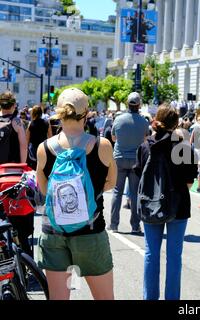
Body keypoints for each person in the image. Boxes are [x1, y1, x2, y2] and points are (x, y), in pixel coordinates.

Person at [36, 88, 117, 300]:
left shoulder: (44, 148)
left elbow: (45, 190)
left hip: (54, 232)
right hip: (90, 231)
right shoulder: (102, 145)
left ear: (59, 113)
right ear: (87, 112)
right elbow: (111, 183)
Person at [134, 104, 197, 300]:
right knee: (174, 257)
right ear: (177, 124)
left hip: (151, 203)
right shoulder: (184, 148)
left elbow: (139, 174)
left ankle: (149, 297)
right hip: (178, 206)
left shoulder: (145, 146)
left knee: (151, 254)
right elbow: (189, 182)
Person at [109, 92, 149, 234]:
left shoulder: (119, 119)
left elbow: (113, 138)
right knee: (134, 194)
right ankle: (135, 225)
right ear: (139, 105)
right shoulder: (144, 122)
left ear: (127, 104)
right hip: (136, 160)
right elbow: (145, 140)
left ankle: (113, 225)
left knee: (117, 192)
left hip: (119, 158)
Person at [0, 91, 27, 164]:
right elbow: (23, 147)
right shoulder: (17, 122)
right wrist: (23, 165)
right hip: (11, 168)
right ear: (14, 105)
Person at [26, 105, 53, 170]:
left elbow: (27, 139)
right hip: (43, 147)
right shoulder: (46, 123)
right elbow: (50, 137)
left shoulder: (31, 124)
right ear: (41, 113)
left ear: (33, 113)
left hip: (33, 149)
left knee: (34, 168)